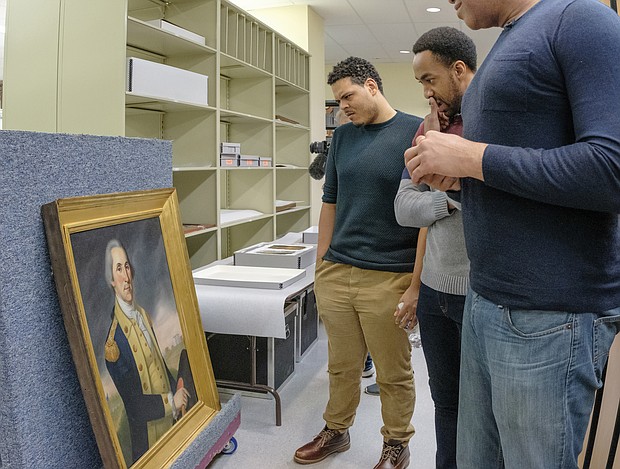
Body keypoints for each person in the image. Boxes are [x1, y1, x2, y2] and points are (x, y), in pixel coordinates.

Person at [406, 1, 620, 467]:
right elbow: (517, 176)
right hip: (486, 299)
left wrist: (472, 159)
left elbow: (611, 170)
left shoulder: (580, 18)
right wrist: (461, 179)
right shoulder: (508, 40)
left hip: (548, 313)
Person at [294, 56, 422, 469]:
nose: (342, 106)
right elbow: (328, 203)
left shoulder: (416, 131)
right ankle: (337, 430)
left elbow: (425, 214)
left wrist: (416, 282)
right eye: (337, 100)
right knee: (341, 365)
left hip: (390, 275)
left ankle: (396, 443)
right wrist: (321, 265)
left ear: (371, 86)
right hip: (338, 271)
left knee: (392, 371)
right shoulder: (343, 138)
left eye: (347, 96)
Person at [393, 26, 476, 469]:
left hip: (480, 292)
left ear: (458, 70)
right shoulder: (426, 134)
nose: (425, 94)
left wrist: (456, 182)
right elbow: (405, 209)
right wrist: (452, 195)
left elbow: (494, 195)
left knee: (480, 410)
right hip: (435, 291)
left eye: (429, 80)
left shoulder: (485, 124)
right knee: (445, 404)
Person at [103, 239, 190, 464]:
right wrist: (172, 401)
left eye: (127, 266)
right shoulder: (114, 345)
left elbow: (159, 367)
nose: (126, 276)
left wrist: (178, 389)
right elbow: (134, 407)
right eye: (118, 269)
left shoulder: (142, 315)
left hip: (170, 426)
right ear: (112, 280)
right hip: (149, 444)